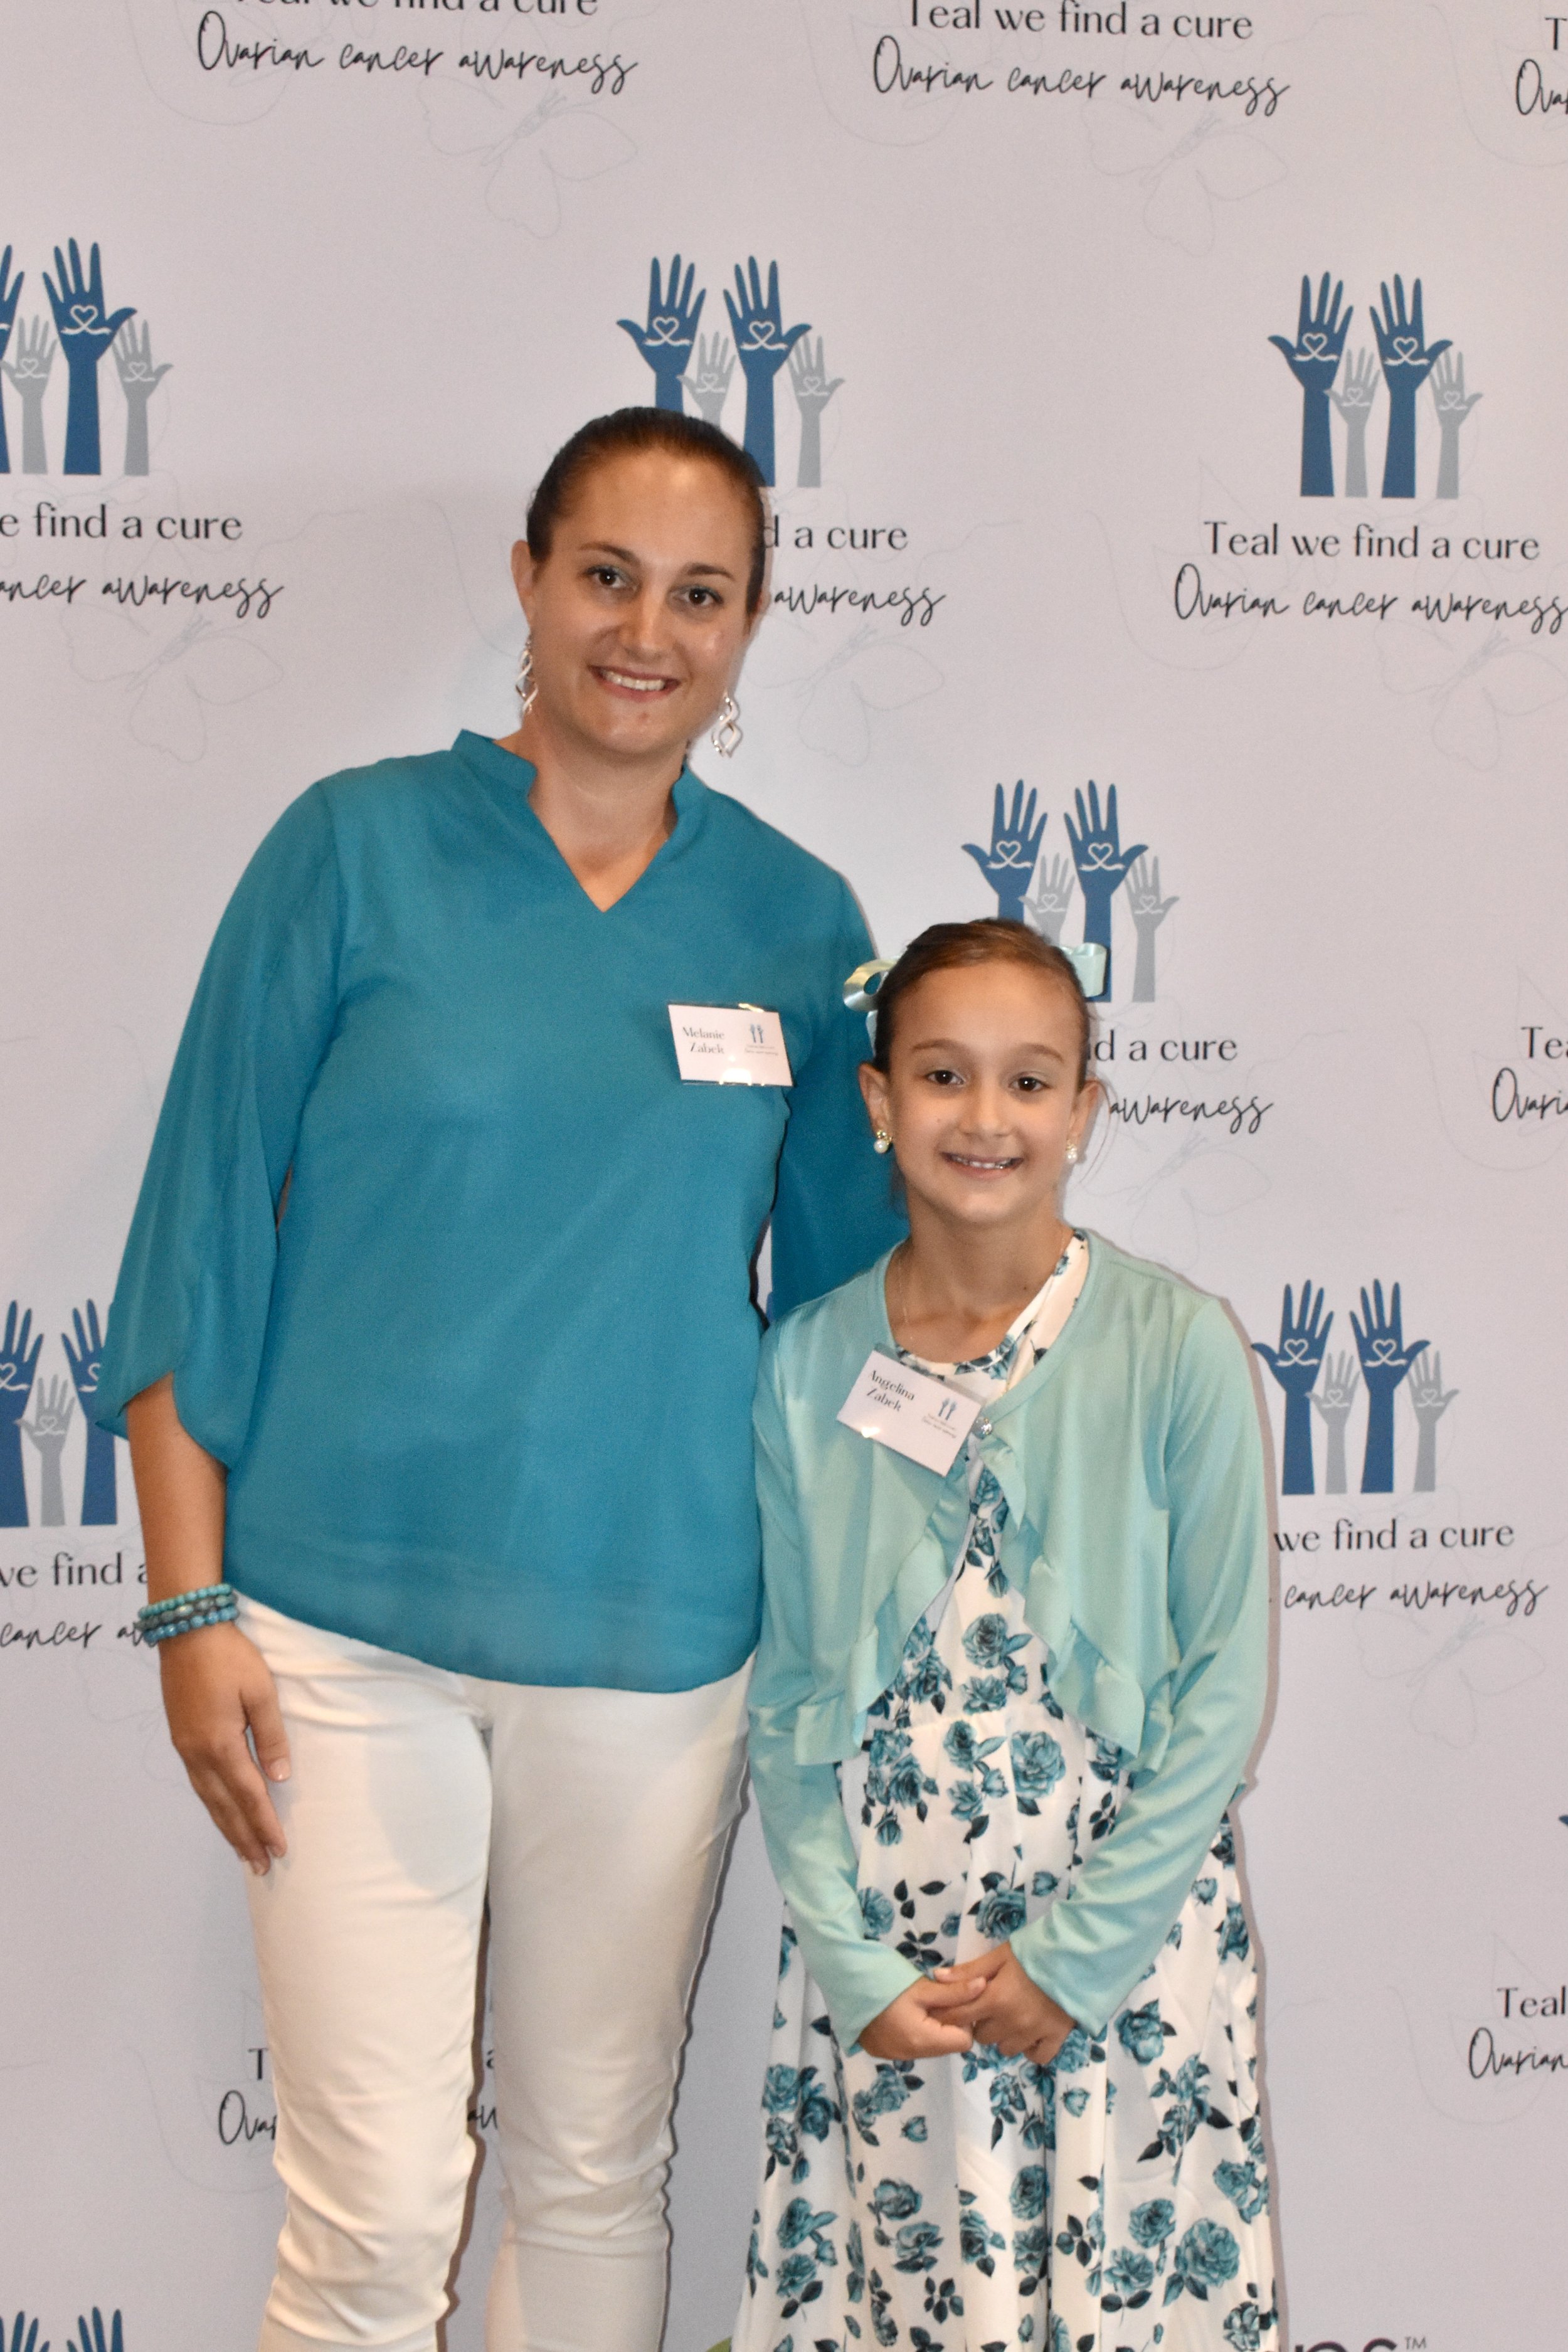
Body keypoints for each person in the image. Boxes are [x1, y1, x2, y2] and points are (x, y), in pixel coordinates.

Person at [97, 406, 904, 2352]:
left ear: (751, 623)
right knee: (370, 2218)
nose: (648, 630)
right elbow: (199, 1233)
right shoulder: (351, 849)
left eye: (700, 594)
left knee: (594, 2169)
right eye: (607, 575)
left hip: (657, 1644)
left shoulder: (800, 928)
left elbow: (850, 1317)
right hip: (332, 1640)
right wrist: (188, 1598)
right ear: (530, 581)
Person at [734, 918, 1278, 2352]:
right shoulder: (805, 1368)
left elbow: (1221, 1689)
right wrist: (854, 1969)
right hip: (896, 1970)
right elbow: (790, 1701)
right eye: (940, 1076)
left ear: (1084, 1112)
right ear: (875, 1102)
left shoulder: (1176, 1345)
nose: (984, 1119)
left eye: (1029, 1083)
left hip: (1121, 1955)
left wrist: (1076, 1960)